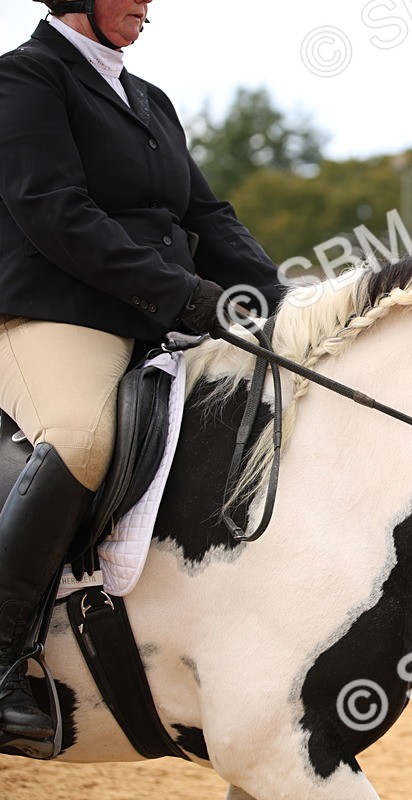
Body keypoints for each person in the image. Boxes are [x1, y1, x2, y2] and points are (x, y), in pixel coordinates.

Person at [0, 0, 283, 741]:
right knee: (83, 438)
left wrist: (283, 302)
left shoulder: (146, 98)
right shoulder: (26, 79)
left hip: (151, 314)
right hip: (54, 313)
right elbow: (55, 212)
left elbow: (206, 217)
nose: (148, 5)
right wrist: (185, 294)